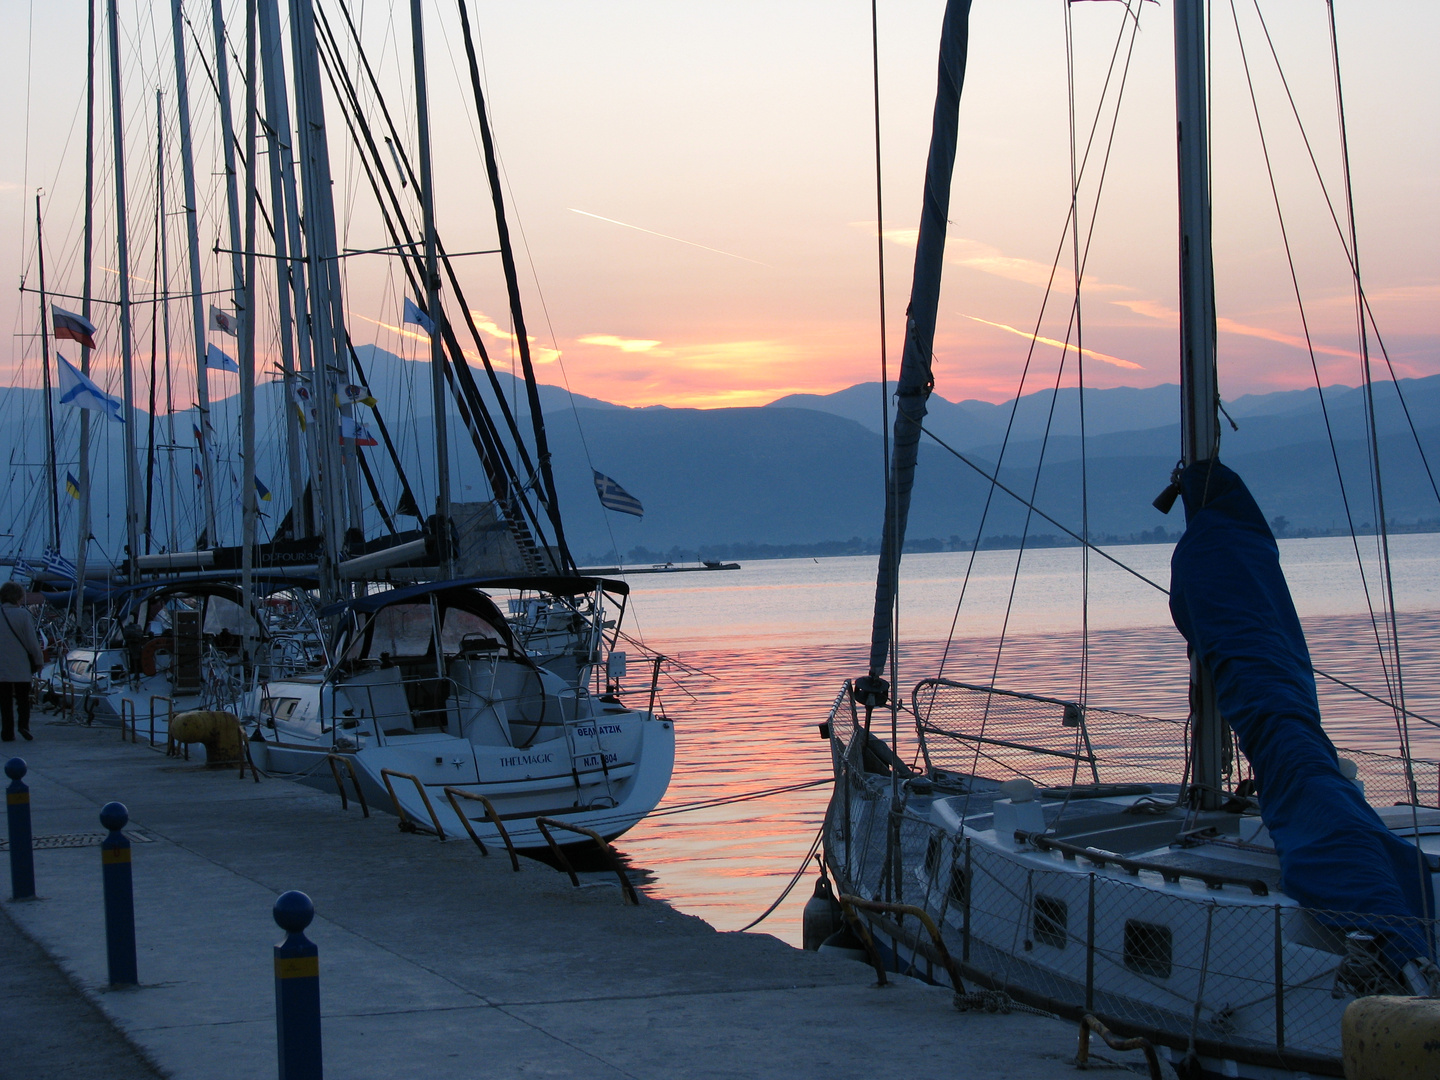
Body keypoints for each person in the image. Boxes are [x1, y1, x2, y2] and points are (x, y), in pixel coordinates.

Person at [0, 581, 44, 742]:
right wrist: (39, 660)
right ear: (18, 597)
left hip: (2, 666)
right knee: (23, 699)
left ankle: (7, 731)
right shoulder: (23, 615)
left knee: (4, 701)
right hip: (21, 664)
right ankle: (23, 726)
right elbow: (32, 642)